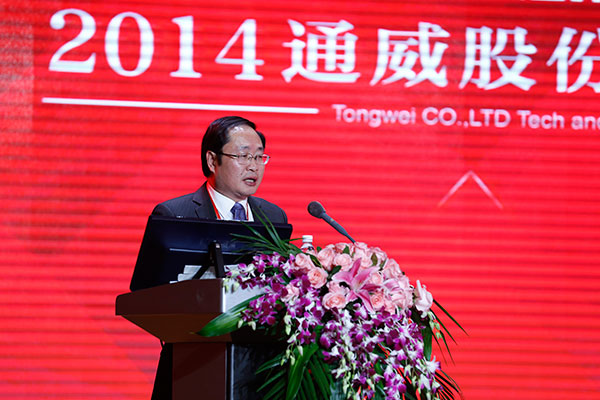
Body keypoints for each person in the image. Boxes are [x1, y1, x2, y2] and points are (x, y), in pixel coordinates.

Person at [142, 115, 288, 399]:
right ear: (212, 160)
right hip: (192, 367)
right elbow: (149, 294)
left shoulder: (273, 216)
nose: (253, 166)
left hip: (258, 372)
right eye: (243, 156)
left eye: (259, 157)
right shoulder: (175, 215)